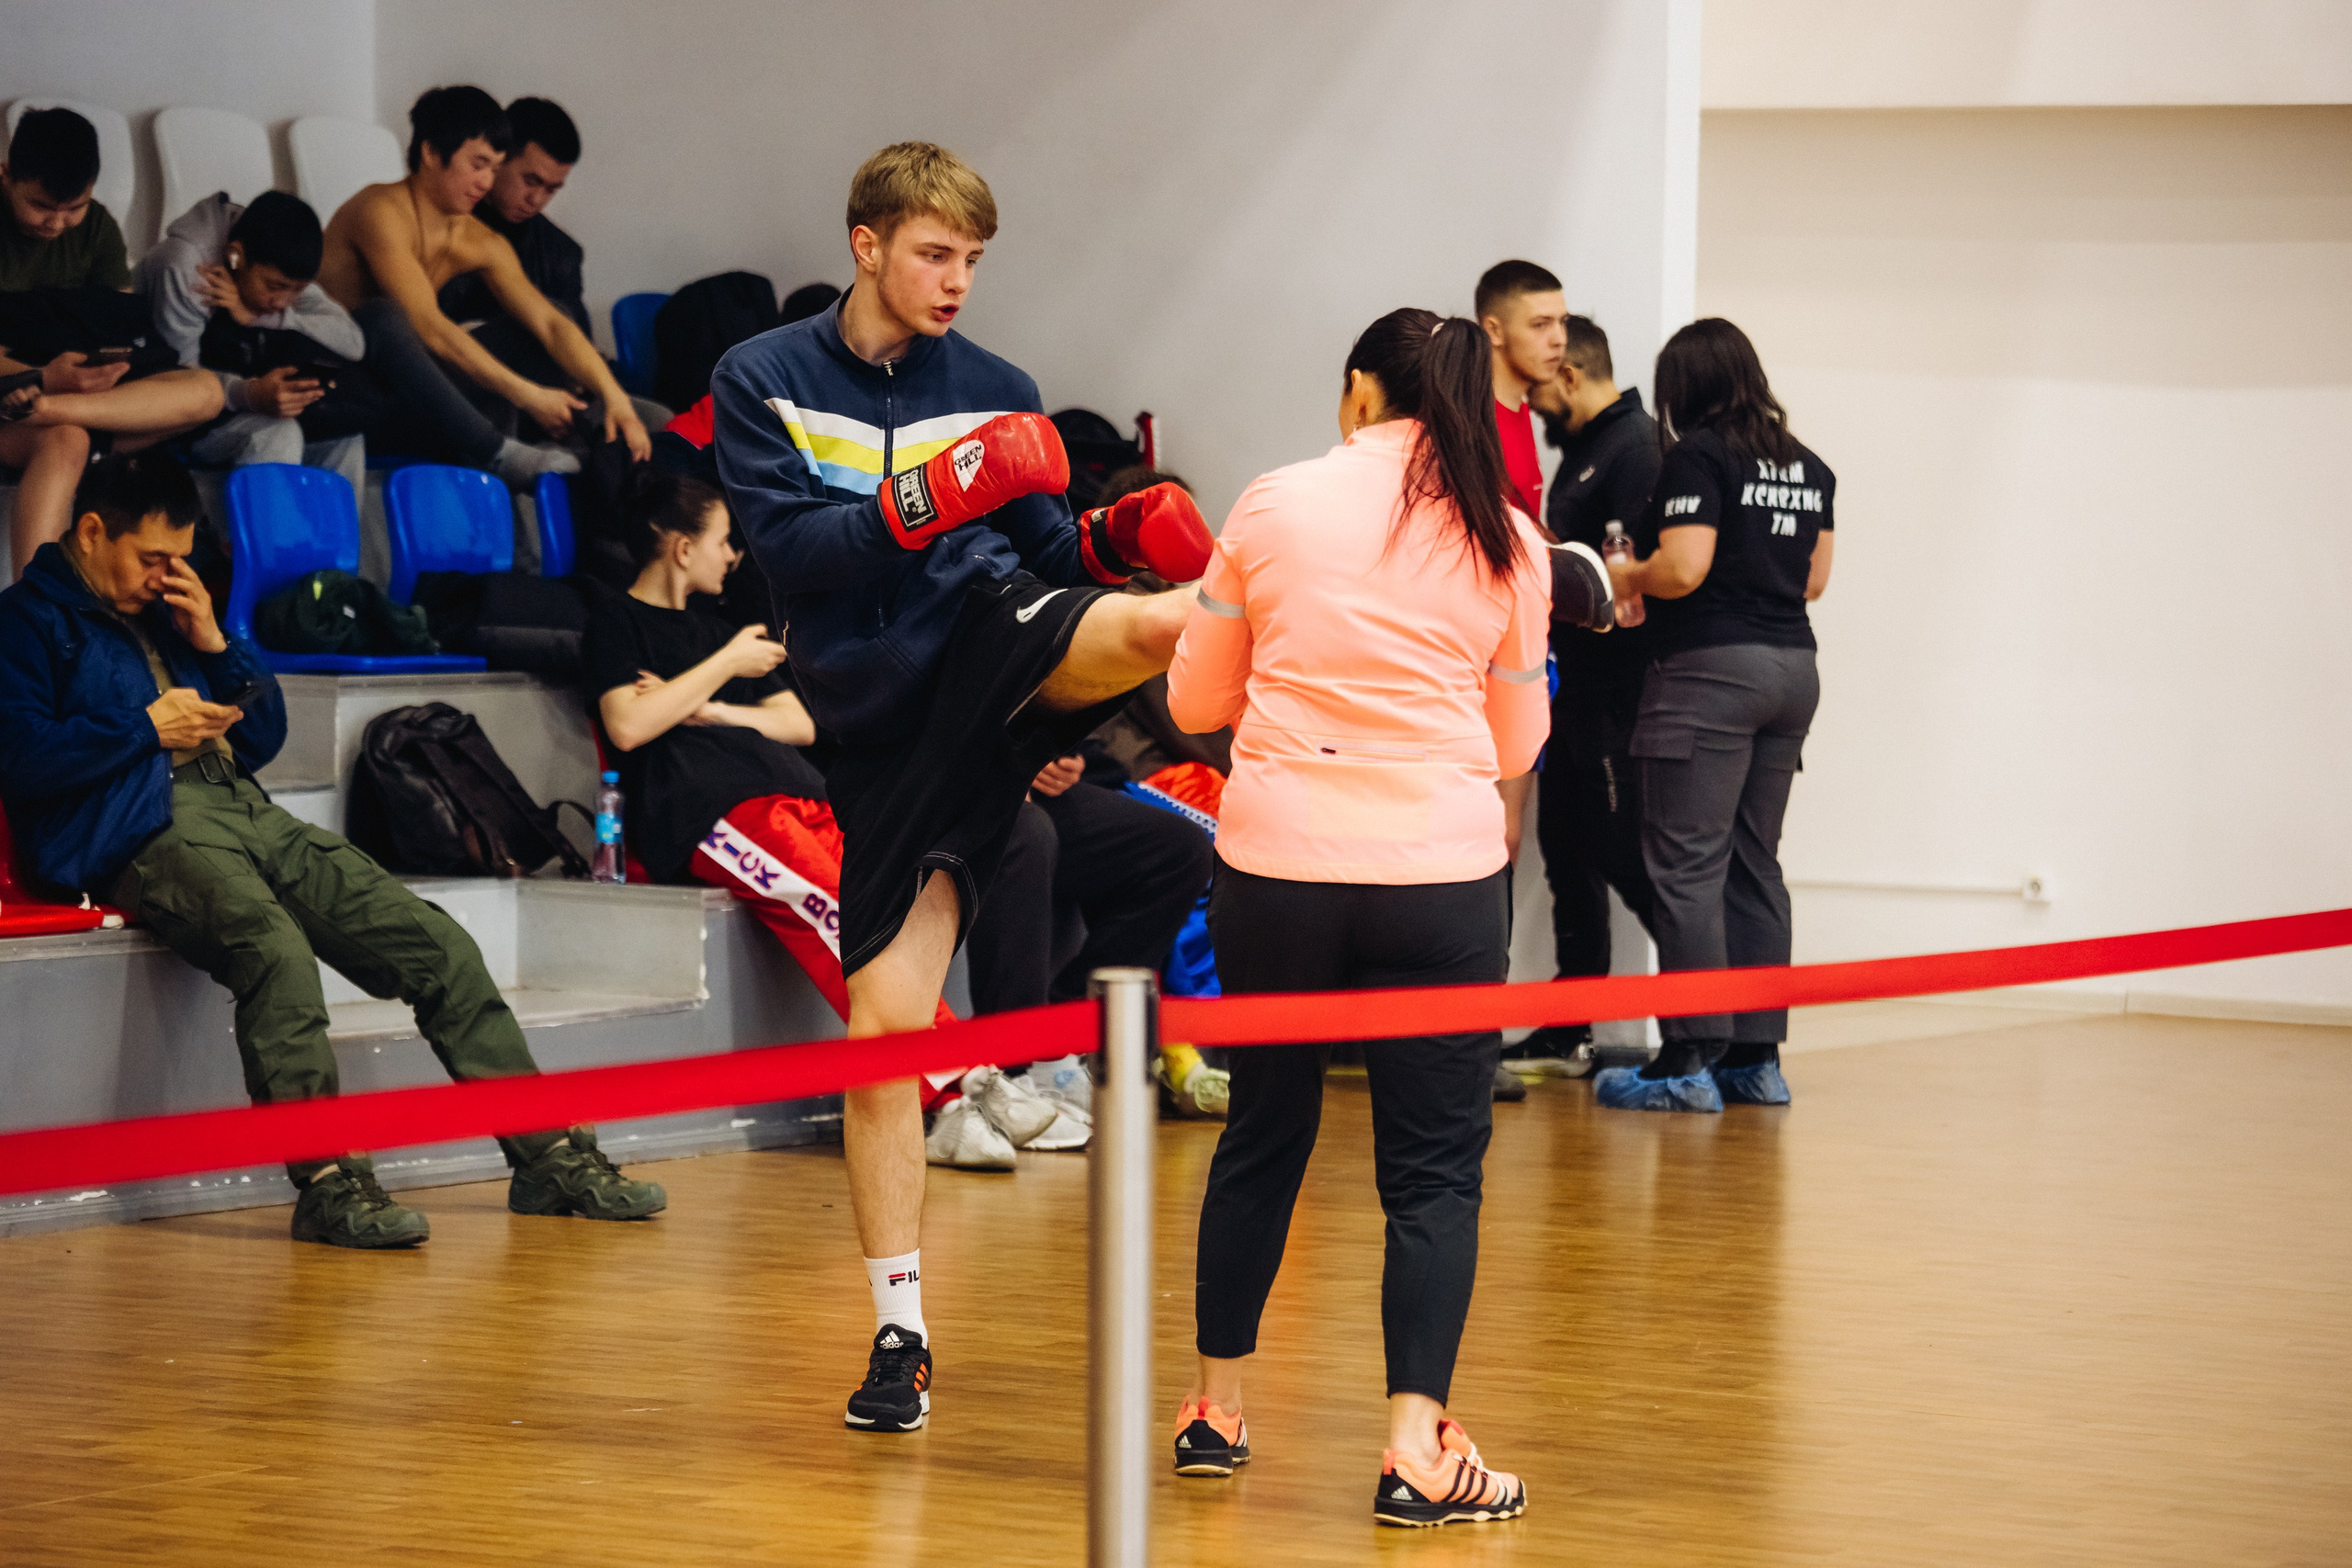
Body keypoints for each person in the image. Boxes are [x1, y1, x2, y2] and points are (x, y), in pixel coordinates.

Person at [713, 141, 1211, 1434]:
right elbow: (795, 554)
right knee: (884, 1038)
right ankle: (900, 1333)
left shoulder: (997, 388)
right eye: (935, 254)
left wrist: (1112, 534)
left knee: (1157, 617)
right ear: (866, 243)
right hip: (880, 734)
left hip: (993, 644)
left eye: (973, 260)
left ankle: (1272, 615)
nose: (956, 282)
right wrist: (938, 490)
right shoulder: (761, 377)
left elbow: (1046, 553)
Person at [0, 450, 668, 1246]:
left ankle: (548, 1155)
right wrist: (145, 726)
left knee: (439, 946)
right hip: (134, 826)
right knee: (275, 951)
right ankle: (327, 1182)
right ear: (90, 531)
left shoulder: (169, 612)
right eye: (152, 558)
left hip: (242, 806)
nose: (167, 575)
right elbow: (20, 759)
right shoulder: (24, 621)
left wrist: (216, 644)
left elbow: (265, 736)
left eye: (178, 557)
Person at [1165, 308, 1552, 1528]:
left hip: (1276, 868)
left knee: (1261, 1134)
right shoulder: (1509, 533)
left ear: (1358, 390)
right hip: (1439, 878)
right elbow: (1517, 742)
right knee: (1432, 1174)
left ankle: (1216, 1409)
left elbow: (1194, 700)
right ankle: (1414, 1450)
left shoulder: (1274, 501)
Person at [1593, 318, 1835, 1112]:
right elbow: (1813, 581)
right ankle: (1756, 1061)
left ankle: (1687, 1062)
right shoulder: (1809, 466)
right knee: (1753, 862)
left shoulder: (1699, 455)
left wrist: (1628, 575)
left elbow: (1685, 568)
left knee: (1687, 865)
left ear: (1685, 387)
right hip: (1793, 671)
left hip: (1708, 675)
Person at [317, 86, 648, 485]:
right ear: (431, 153)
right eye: (478, 165)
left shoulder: (480, 240)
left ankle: (596, 450)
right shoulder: (379, 211)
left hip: (422, 400)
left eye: (494, 168)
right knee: (381, 317)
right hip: (341, 392)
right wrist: (527, 394)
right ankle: (496, 453)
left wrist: (616, 398)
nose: (486, 182)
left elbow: (550, 325)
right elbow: (429, 328)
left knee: (549, 319)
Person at [1514, 314, 1662, 1077]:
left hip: (1616, 695)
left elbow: (1634, 580)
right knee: (1566, 851)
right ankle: (1571, 1024)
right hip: (1569, 692)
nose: (1534, 404)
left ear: (1571, 374)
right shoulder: (1583, 453)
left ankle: (1712, 1017)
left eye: (1541, 388)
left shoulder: (1636, 450)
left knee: (1623, 853)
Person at [0, 108, 223, 572]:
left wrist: (91, 376)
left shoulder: (97, 226)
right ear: (6, 176)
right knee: (66, 441)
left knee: (207, 390)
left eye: (73, 208)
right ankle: (37, 608)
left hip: (71, 399)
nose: (56, 223)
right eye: (41, 206)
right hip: (14, 394)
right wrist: (43, 377)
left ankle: (51, 408)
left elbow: (117, 323)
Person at [134, 189, 365, 489]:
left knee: (345, 438)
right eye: (274, 287)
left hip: (238, 391)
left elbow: (353, 342)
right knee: (278, 433)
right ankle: (267, 523)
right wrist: (250, 394)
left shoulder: (277, 259)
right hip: (169, 413)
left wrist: (262, 318)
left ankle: (331, 525)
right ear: (236, 256)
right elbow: (179, 385)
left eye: (296, 291)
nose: (282, 302)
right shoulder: (188, 269)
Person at [436, 96, 591, 389]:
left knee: (653, 412)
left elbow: (581, 346)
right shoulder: (442, 223)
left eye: (552, 189)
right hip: (455, 376)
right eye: (531, 181)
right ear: (499, 159)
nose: (537, 200)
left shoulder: (562, 253)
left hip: (546, 388)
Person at [1475, 259, 1566, 521]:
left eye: (1563, 322)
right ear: (1494, 330)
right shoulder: (1474, 424)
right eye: (1540, 325)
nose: (1559, 339)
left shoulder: (1520, 407)